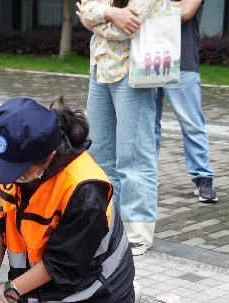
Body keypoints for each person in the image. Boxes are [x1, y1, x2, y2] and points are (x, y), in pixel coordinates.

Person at [0, 97, 187, 303]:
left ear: (44, 158)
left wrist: (6, 296)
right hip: (46, 290)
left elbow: (60, 264)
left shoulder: (85, 188)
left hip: (98, 287)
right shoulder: (6, 165)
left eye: (11, 170)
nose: (0, 174)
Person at [77, 0, 161, 256]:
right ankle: (107, 222)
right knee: (98, 153)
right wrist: (111, 13)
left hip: (135, 71)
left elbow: (128, 29)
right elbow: (86, 9)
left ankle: (138, 232)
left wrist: (96, 20)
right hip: (100, 68)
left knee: (134, 154)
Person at [154, 0, 217, 203]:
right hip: (147, 61)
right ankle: (148, 174)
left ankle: (203, 178)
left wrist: (147, 7)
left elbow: (186, 12)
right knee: (147, 124)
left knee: (191, 123)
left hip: (183, 62)